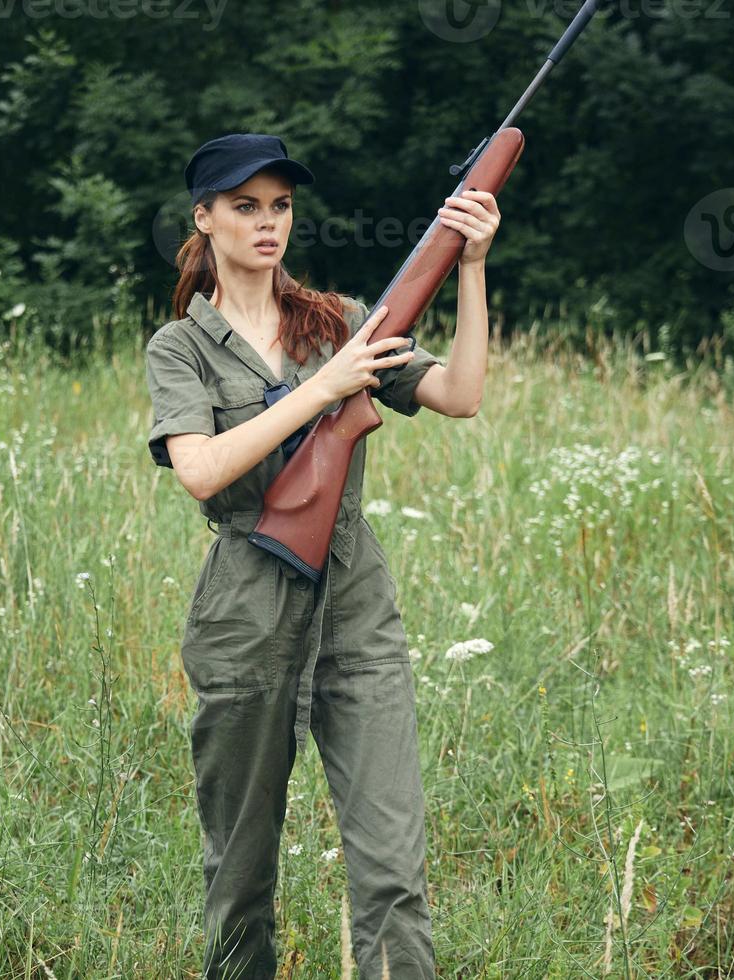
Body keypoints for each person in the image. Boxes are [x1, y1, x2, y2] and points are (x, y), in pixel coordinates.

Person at [144, 132, 499, 979]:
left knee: (391, 868)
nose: (268, 224)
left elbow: (461, 394)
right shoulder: (180, 349)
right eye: (245, 207)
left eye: (281, 206)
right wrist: (325, 387)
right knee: (239, 872)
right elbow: (199, 469)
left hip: (355, 609)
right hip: (245, 614)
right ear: (205, 218)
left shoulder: (337, 321)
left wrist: (474, 266)